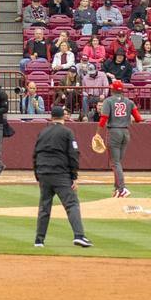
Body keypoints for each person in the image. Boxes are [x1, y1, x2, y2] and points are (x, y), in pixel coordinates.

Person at [31, 106, 91, 248]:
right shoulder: (67, 132)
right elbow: (73, 154)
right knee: (71, 204)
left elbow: (35, 154)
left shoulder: (43, 132)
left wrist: (37, 175)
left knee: (44, 207)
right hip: (60, 174)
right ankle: (79, 236)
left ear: (51, 117)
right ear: (64, 117)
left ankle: (39, 240)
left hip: (43, 173)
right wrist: (74, 176)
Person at [93, 80, 142, 198]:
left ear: (112, 89)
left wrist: (97, 134)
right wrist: (125, 120)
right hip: (125, 132)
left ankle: (122, 188)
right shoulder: (129, 102)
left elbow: (104, 118)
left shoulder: (108, 101)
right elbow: (139, 119)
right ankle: (117, 189)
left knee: (115, 163)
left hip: (114, 131)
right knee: (117, 162)